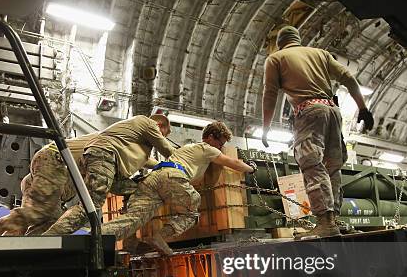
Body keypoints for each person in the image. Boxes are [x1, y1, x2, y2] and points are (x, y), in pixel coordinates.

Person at [261, 25, 374, 239]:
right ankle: (333, 220)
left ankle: (325, 222)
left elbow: (270, 94)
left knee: (312, 163)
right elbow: (348, 78)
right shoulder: (320, 54)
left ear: (280, 43)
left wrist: (266, 128)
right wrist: (363, 108)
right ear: (298, 39)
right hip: (333, 111)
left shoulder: (276, 58)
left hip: (309, 111)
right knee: (332, 166)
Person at [101, 121, 254, 255]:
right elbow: (233, 163)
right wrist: (251, 168)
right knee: (192, 210)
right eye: (220, 144)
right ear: (211, 137)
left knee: (134, 219)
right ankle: (159, 237)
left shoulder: (187, 148)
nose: (221, 148)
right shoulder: (208, 148)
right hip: (172, 177)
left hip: (153, 178)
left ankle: (96, 235)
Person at [43, 114, 175, 236]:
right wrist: (183, 161)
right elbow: (167, 149)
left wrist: (160, 166)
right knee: (90, 206)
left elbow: (147, 161)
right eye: (164, 134)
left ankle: (128, 216)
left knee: (139, 187)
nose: (162, 137)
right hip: (103, 158)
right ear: (159, 126)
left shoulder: (134, 136)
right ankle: (50, 238)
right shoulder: (147, 123)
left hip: (105, 162)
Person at [0, 133, 97, 236]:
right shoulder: (107, 146)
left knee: (51, 219)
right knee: (38, 212)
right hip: (54, 163)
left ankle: (25, 244)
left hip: (50, 167)